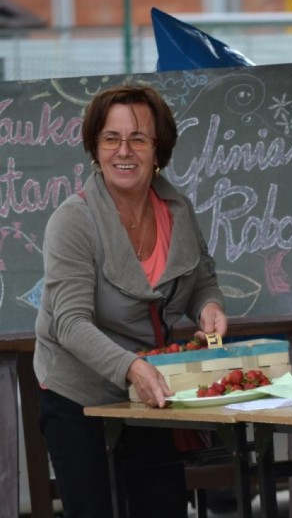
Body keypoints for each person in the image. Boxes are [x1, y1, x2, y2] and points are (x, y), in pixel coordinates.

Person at [34, 85, 228, 517]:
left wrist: (208, 308)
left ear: (159, 149)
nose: (124, 151)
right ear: (95, 148)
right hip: (78, 394)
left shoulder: (177, 208)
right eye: (111, 138)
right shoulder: (73, 220)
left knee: (163, 507)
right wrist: (131, 367)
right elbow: (69, 323)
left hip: (152, 390)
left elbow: (203, 282)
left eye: (138, 138)